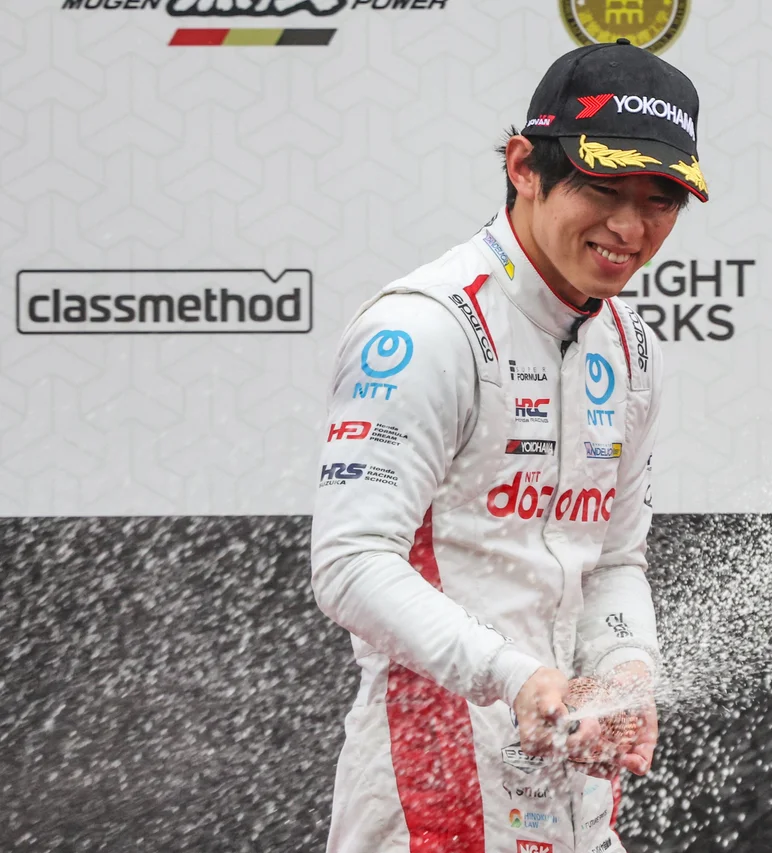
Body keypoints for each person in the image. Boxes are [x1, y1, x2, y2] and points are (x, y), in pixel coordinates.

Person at [310, 38, 708, 853]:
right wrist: (515, 676)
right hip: (431, 792)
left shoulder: (631, 346)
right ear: (525, 166)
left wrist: (628, 670)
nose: (630, 227)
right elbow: (349, 563)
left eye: (661, 199)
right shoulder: (427, 326)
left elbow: (614, 559)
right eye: (603, 188)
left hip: (575, 792)